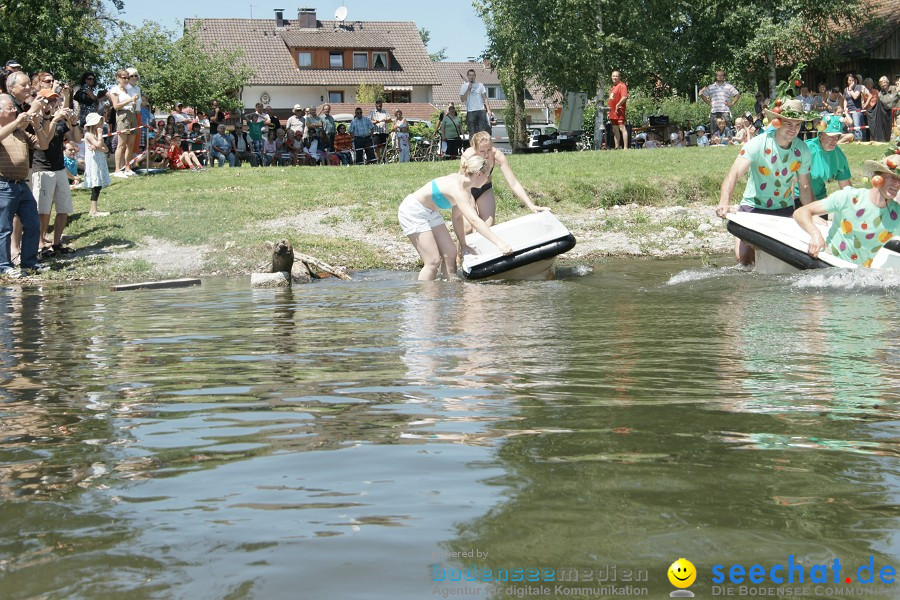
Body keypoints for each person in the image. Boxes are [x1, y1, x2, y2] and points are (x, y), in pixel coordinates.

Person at [717, 97, 816, 265]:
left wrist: (810, 215)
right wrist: (724, 202)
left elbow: (805, 186)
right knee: (743, 260)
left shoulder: (802, 149)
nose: (793, 129)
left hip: (784, 209)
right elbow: (733, 174)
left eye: (797, 125)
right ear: (777, 122)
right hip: (753, 206)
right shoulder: (757, 144)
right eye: (789, 124)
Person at [398, 154, 512, 280]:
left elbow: (457, 217)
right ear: (479, 174)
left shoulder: (466, 187)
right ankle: (426, 298)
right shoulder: (458, 189)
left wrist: (463, 244)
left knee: (450, 253)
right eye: (487, 175)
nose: (488, 179)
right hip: (413, 211)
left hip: (430, 212)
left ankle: (449, 289)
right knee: (433, 261)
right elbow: (474, 220)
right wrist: (500, 243)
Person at [794, 155, 898, 268]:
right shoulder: (849, 197)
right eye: (892, 177)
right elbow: (801, 212)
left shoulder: (897, 215)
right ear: (878, 177)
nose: (897, 184)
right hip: (827, 264)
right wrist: (816, 235)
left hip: (859, 277)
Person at [457, 130, 550, 233]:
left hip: (485, 189)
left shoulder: (497, 156)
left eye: (489, 149)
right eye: (482, 151)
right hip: (467, 189)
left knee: (487, 226)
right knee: (468, 227)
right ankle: (460, 249)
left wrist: (530, 204)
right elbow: (460, 183)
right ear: (474, 148)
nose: (486, 155)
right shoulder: (468, 156)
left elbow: (513, 183)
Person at [0, 94, 50, 278]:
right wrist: (20, 119)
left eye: (14, 108)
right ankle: (4, 266)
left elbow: (43, 145)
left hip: (21, 185)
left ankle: (29, 263)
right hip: (3, 185)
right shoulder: (8, 129)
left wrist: (38, 124)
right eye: (9, 108)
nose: (14, 110)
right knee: (4, 228)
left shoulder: (20, 132)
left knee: (32, 223)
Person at [31, 91, 81, 257]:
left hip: (59, 169)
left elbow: (77, 139)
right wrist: (52, 119)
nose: (53, 103)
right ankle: (40, 244)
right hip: (43, 170)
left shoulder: (58, 121)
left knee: (63, 208)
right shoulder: (36, 120)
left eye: (55, 100)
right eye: (50, 100)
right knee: (43, 210)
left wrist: (73, 123)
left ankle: (57, 242)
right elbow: (45, 138)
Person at [795, 114, 851, 204]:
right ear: (820, 136)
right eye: (830, 137)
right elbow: (793, 179)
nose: (834, 140)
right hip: (798, 196)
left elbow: (845, 186)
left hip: (820, 198)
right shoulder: (806, 149)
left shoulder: (838, 154)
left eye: (837, 137)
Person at [109, 69, 139, 177]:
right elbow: (116, 106)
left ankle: (127, 167)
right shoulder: (115, 89)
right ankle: (117, 170)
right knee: (121, 144)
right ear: (118, 78)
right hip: (122, 115)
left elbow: (133, 105)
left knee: (130, 144)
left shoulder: (129, 90)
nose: (126, 80)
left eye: (127, 77)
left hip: (131, 114)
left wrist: (134, 101)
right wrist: (130, 100)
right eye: (123, 77)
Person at [81, 112, 111, 217]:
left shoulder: (97, 136)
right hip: (93, 162)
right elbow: (98, 144)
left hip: (99, 160)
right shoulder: (89, 135)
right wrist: (99, 136)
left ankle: (94, 209)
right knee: (96, 184)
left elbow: (105, 149)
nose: (101, 124)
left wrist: (99, 145)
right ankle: (93, 210)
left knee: (98, 184)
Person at [459, 68, 492, 135]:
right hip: (471, 111)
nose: (472, 77)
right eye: (470, 75)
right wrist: (468, 90)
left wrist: (488, 110)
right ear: (468, 76)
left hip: (481, 110)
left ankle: (481, 145)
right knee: (472, 132)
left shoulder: (480, 85)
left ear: (475, 76)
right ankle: (473, 145)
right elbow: (462, 99)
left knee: (482, 131)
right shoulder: (464, 86)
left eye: (473, 75)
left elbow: (485, 98)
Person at [608, 70, 628, 150]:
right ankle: (617, 147)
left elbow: (624, 97)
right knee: (615, 129)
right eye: (613, 76)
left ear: (619, 77)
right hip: (612, 112)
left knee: (622, 128)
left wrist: (618, 105)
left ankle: (625, 147)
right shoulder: (612, 88)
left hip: (619, 111)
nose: (615, 78)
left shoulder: (622, 85)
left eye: (616, 76)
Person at [843, 73, 865, 141]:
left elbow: (855, 96)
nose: (852, 82)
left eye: (853, 80)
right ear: (847, 81)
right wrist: (844, 108)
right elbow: (845, 99)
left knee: (856, 125)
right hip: (848, 109)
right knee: (850, 125)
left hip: (856, 109)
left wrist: (850, 89)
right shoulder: (845, 89)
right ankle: (851, 139)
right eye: (850, 80)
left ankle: (859, 139)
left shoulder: (858, 87)